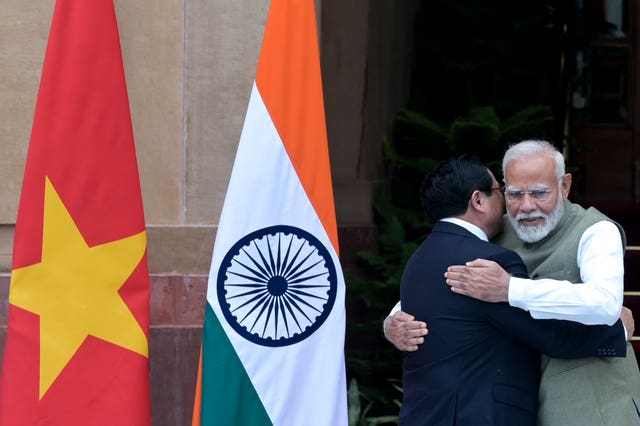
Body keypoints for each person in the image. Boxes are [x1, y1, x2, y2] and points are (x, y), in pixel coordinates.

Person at [386, 140, 640, 425]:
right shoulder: (498, 228)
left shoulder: (596, 231)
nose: (526, 206)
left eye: (540, 192)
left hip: (592, 397)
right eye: (514, 194)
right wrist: (393, 320)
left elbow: (604, 303)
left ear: (565, 186)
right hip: (527, 400)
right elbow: (452, 283)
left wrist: (509, 289)